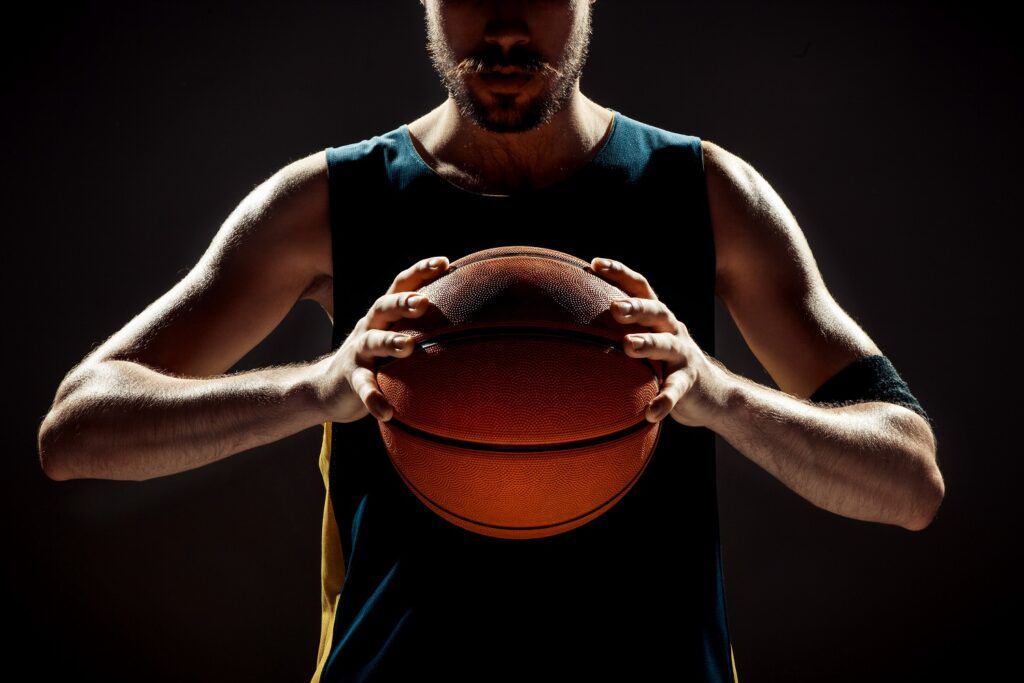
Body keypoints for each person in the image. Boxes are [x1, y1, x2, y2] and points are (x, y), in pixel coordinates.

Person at [36, 1, 944, 682]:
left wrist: (718, 393)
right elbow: (80, 429)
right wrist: (315, 387)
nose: (505, 24)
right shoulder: (330, 202)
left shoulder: (703, 194)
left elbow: (907, 478)